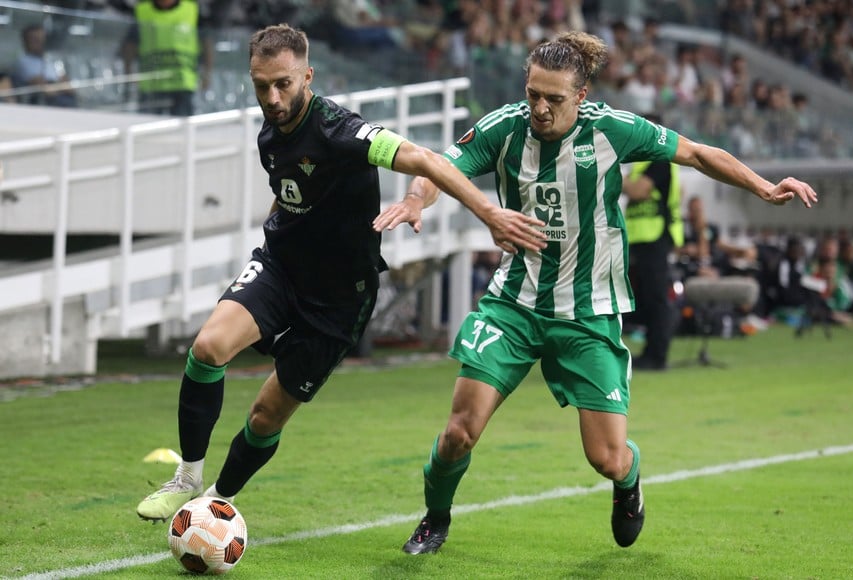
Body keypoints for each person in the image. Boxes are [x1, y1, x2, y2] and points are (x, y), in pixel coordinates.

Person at [373, 30, 818, 554]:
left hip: (589, 312)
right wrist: (416, 198)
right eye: (533, 93)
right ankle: (435, 517)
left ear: (581, 96)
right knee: (459, 432)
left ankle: (628, 482)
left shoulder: (612, 130)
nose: (539, 108)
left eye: (554, 99)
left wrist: (764, 187)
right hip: (514, 304)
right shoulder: (504, 129)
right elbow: (438, 167)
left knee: (606, 458)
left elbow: (696, 153)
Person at [135, 23, 546, 523]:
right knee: (207, 348)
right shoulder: (270, 130)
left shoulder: (341, 130)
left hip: (339, 299)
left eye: (283, 83)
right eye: (261, 84)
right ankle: (187, 477)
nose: (272, 96)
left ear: (308, 75)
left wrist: (488, 214)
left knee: (266, 416)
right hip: (281, 267)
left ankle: (215, 499)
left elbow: (423, 158)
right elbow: (290, 187)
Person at [622, 113, 684, 370]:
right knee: (647, 296)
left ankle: (657, 356)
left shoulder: (659, 158)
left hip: (655, 236)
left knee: (657, 297)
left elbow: (639, 191)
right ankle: (651, 351)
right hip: (642, 238)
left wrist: (610, 170)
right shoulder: (644, 162)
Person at [121, 0, 214, 116]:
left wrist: (207, 74)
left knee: (182, 129)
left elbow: (207, 44)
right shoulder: (142, 11)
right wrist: (129, 72)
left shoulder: (192, 10)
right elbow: (130, 45)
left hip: (182, 83)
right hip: (151, 83)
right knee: (147, 127)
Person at [10, 23, 77, 108]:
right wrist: (60, 87)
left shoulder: (51, 60)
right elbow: (44, 89)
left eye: (42, 39)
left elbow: (70, 87)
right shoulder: (24, 62)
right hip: (44, 105)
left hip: (65, 102)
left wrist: (55, 87)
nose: (40, 43)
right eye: (35, 40)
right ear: (26, 42)